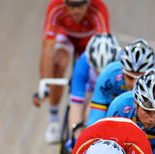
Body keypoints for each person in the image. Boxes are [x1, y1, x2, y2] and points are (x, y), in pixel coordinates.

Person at [33, 0, 110, 144]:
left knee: (91, 73)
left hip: (90, 41)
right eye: (72, 5)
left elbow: (102, 48)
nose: (76, 10)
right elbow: (48, 49)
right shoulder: (55, 7)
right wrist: (45, 85)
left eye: (81, 4)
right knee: (57, 64)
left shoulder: (99, 9)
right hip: (66, 36)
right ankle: (54, 118)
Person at [87, 39, 155, 127]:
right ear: (122, 72)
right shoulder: (109, 74)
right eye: (130, 77)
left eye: (139, 78)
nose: (134, 84)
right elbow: (95, 115)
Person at [67, 33, 120, 143]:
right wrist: (75, 139)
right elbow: (76, 105)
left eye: (105, 71)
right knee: (87, 113)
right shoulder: (82, 64)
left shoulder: (122, 64)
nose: (101, 76)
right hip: (91, 89)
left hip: (113, 91)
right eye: (97, 71)